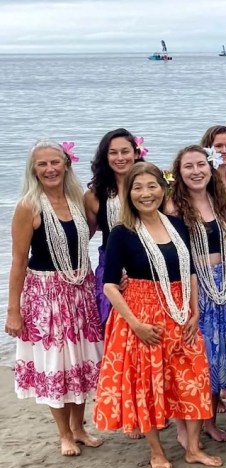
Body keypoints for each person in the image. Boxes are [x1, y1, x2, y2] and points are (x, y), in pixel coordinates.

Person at [93, 162, 221, 468]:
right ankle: (156, 451)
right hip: (142, 317)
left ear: (162, 189)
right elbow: (110, 285)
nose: (145, 193)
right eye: (138, 188)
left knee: (193, 379)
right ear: (129, 194)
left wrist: (194, 311)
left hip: (181, 312)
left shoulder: (177, 226)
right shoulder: (122, 234)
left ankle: (192, 448)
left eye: (151, 186)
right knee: (148, 387)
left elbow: (189, 270)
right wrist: (135, 324)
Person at [7, 140, 103, 456]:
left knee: (80, 362)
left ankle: (79, 427)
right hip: (46, 295)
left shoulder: (77, 200)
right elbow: (19, 261)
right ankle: (63, 433)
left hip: (81, 289)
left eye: (54, 162)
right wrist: (13, 310)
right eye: (42, 164)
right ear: (33, 170)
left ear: (66, 164)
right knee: (56, 365)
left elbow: (88, 234)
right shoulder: (28, 207)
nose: (50, 169)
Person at [168, 145, 226, 442]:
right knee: (196, 358)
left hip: (223, 285)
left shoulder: (218, 201)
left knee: (220, 356)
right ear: (179, 172)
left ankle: (209, 422)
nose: (196, 171)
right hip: (193, 286)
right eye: (189, 166)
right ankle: (184, 425)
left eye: (201, 164)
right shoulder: (173, 208)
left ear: (210, 168)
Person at [83, 128, 141, 326]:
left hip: (146, 267)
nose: (120, 158)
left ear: (136, 153)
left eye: (125, 151)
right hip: (110, 269)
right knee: (111, 327)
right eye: (113, 152)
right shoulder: (93, 196)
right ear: (105, 157)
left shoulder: (151, 187)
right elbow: (84, 236)